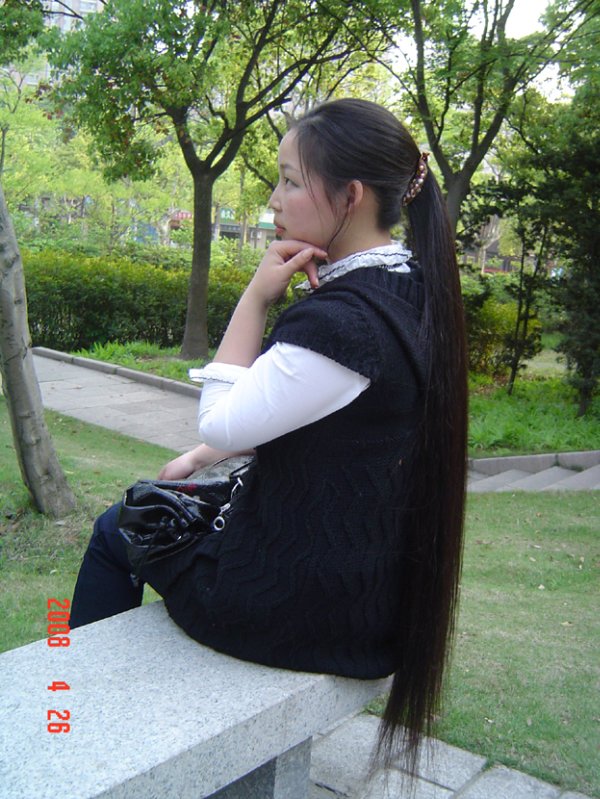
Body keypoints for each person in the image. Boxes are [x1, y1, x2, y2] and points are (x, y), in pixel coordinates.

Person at [70, 98, 468, 767]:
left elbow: (221, 416)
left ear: (350, 196)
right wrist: (202, 456)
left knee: (120, 528)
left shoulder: (342, 324)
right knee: (169, 496)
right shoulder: (411, 289)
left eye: (289, 180)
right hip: (361, 587)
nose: (273, 200)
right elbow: (314, 413)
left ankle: (82, 716)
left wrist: (256, 296)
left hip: (294, 604)